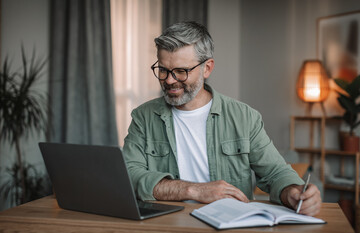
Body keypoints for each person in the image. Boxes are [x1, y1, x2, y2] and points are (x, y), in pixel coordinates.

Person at [123, 21, 321, 216]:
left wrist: (293, 192)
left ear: (207, 68)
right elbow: (129, 175)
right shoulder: (143, 117)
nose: (169, 80)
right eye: (163, 70)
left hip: (229, 226)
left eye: (181, 72)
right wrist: (194, 190)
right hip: (165, 225)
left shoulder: (244, 117)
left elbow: (275, 173)